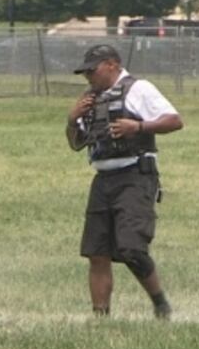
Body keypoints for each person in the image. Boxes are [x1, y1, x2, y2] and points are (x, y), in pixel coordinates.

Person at [66, 44, 183, 319]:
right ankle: (100, 318)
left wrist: (139, 126)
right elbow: (76, 143)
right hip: (103, 179)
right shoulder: (90, 98)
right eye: (85, 74)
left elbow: (175, 121)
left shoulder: (139, 89)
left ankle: (160, 304)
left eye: (92, 71)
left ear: (112, 65)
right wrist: (72, 119)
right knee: (97, 251)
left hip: (135, 176)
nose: (88, 78)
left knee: (132, 248)